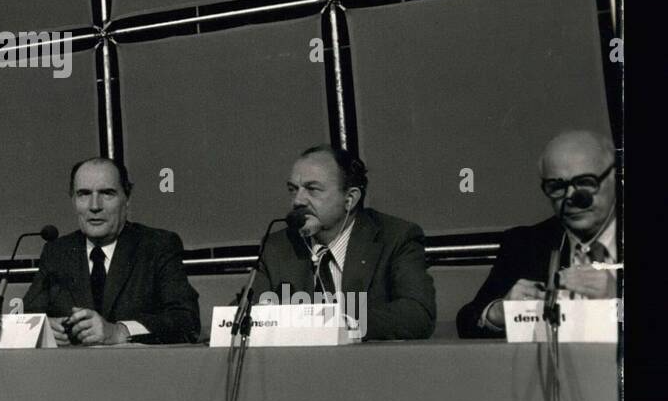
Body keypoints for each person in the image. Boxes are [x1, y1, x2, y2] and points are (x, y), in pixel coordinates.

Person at [250, 144, 436, 341]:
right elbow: (240, 315)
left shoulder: (395, 237)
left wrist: (338, 324)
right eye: (293, 190)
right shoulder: (277, 246)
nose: (298, 201)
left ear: (350, 199)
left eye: (312, 189)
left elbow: (417, 315)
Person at [457, 130, 619, 339]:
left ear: (615, 177)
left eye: (586, 182)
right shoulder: (526, 244)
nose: (571, 197)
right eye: (557, 187)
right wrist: (499, 312)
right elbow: (469, 321)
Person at [23, 157, 201, 345]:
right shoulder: (57, 252)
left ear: (127, 198)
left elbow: (187, 321)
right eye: (84, 194)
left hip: (137, 371)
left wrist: (120, 331)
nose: (94, 206)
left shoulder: (157, 246)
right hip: (72, 371)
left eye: (107, 193)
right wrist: (44, 328)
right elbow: (26, 318)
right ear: (73, 201)